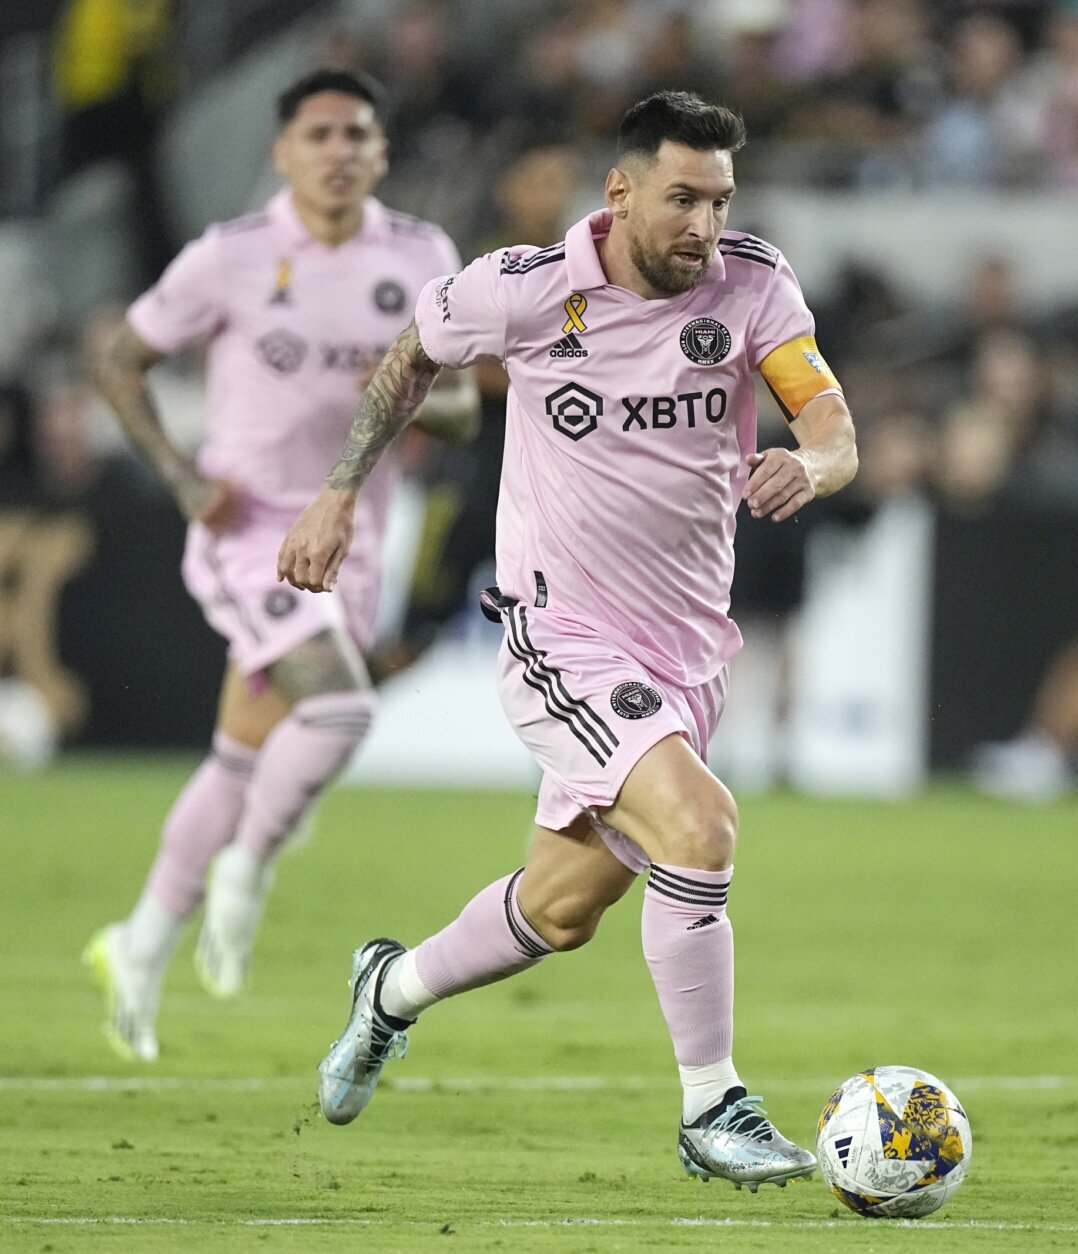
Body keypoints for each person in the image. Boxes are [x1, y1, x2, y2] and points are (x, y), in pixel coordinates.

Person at [276, 91, 858, 1189]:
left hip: (688, 655)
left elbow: (827, 422)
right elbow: (407, 359)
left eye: (720, 199)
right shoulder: (528, 289)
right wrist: (338, 496)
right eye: (682, 197)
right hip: (563, 635)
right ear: (622, 191)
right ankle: (711, 1109)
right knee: (701, 827)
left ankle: (388, 991)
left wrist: (812, 464)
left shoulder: (753, 284)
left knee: (561, 907)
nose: (702, 223)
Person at [84, 68, 474, 1063]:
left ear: (382, 153)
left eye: (356, 134)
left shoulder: (422, 256)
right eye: (318, 135)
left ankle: (136, 945)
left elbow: (468, 404)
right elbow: (120, 359)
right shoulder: (233, 256)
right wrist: (177, 477)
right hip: (248, 530)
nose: (339, 151)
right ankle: (249, 868)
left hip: (352, 541)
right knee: (339, 710)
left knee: (240, 755)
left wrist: (396, 391)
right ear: (282, 153)